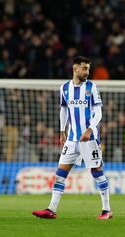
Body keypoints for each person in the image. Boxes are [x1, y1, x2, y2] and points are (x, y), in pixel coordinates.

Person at [32, 56, 112, 220]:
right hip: (72, 138)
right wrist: (62, 130)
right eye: (84, 69)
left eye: (88, 69)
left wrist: (90, 129)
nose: (87, 72)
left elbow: (98, 112)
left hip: (89, 139)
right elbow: (64, 110)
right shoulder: (65, 88)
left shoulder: (92, 87)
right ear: (75, 69)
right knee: (61, 172)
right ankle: (51, 209)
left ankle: (106, 210)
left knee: (97, 171)